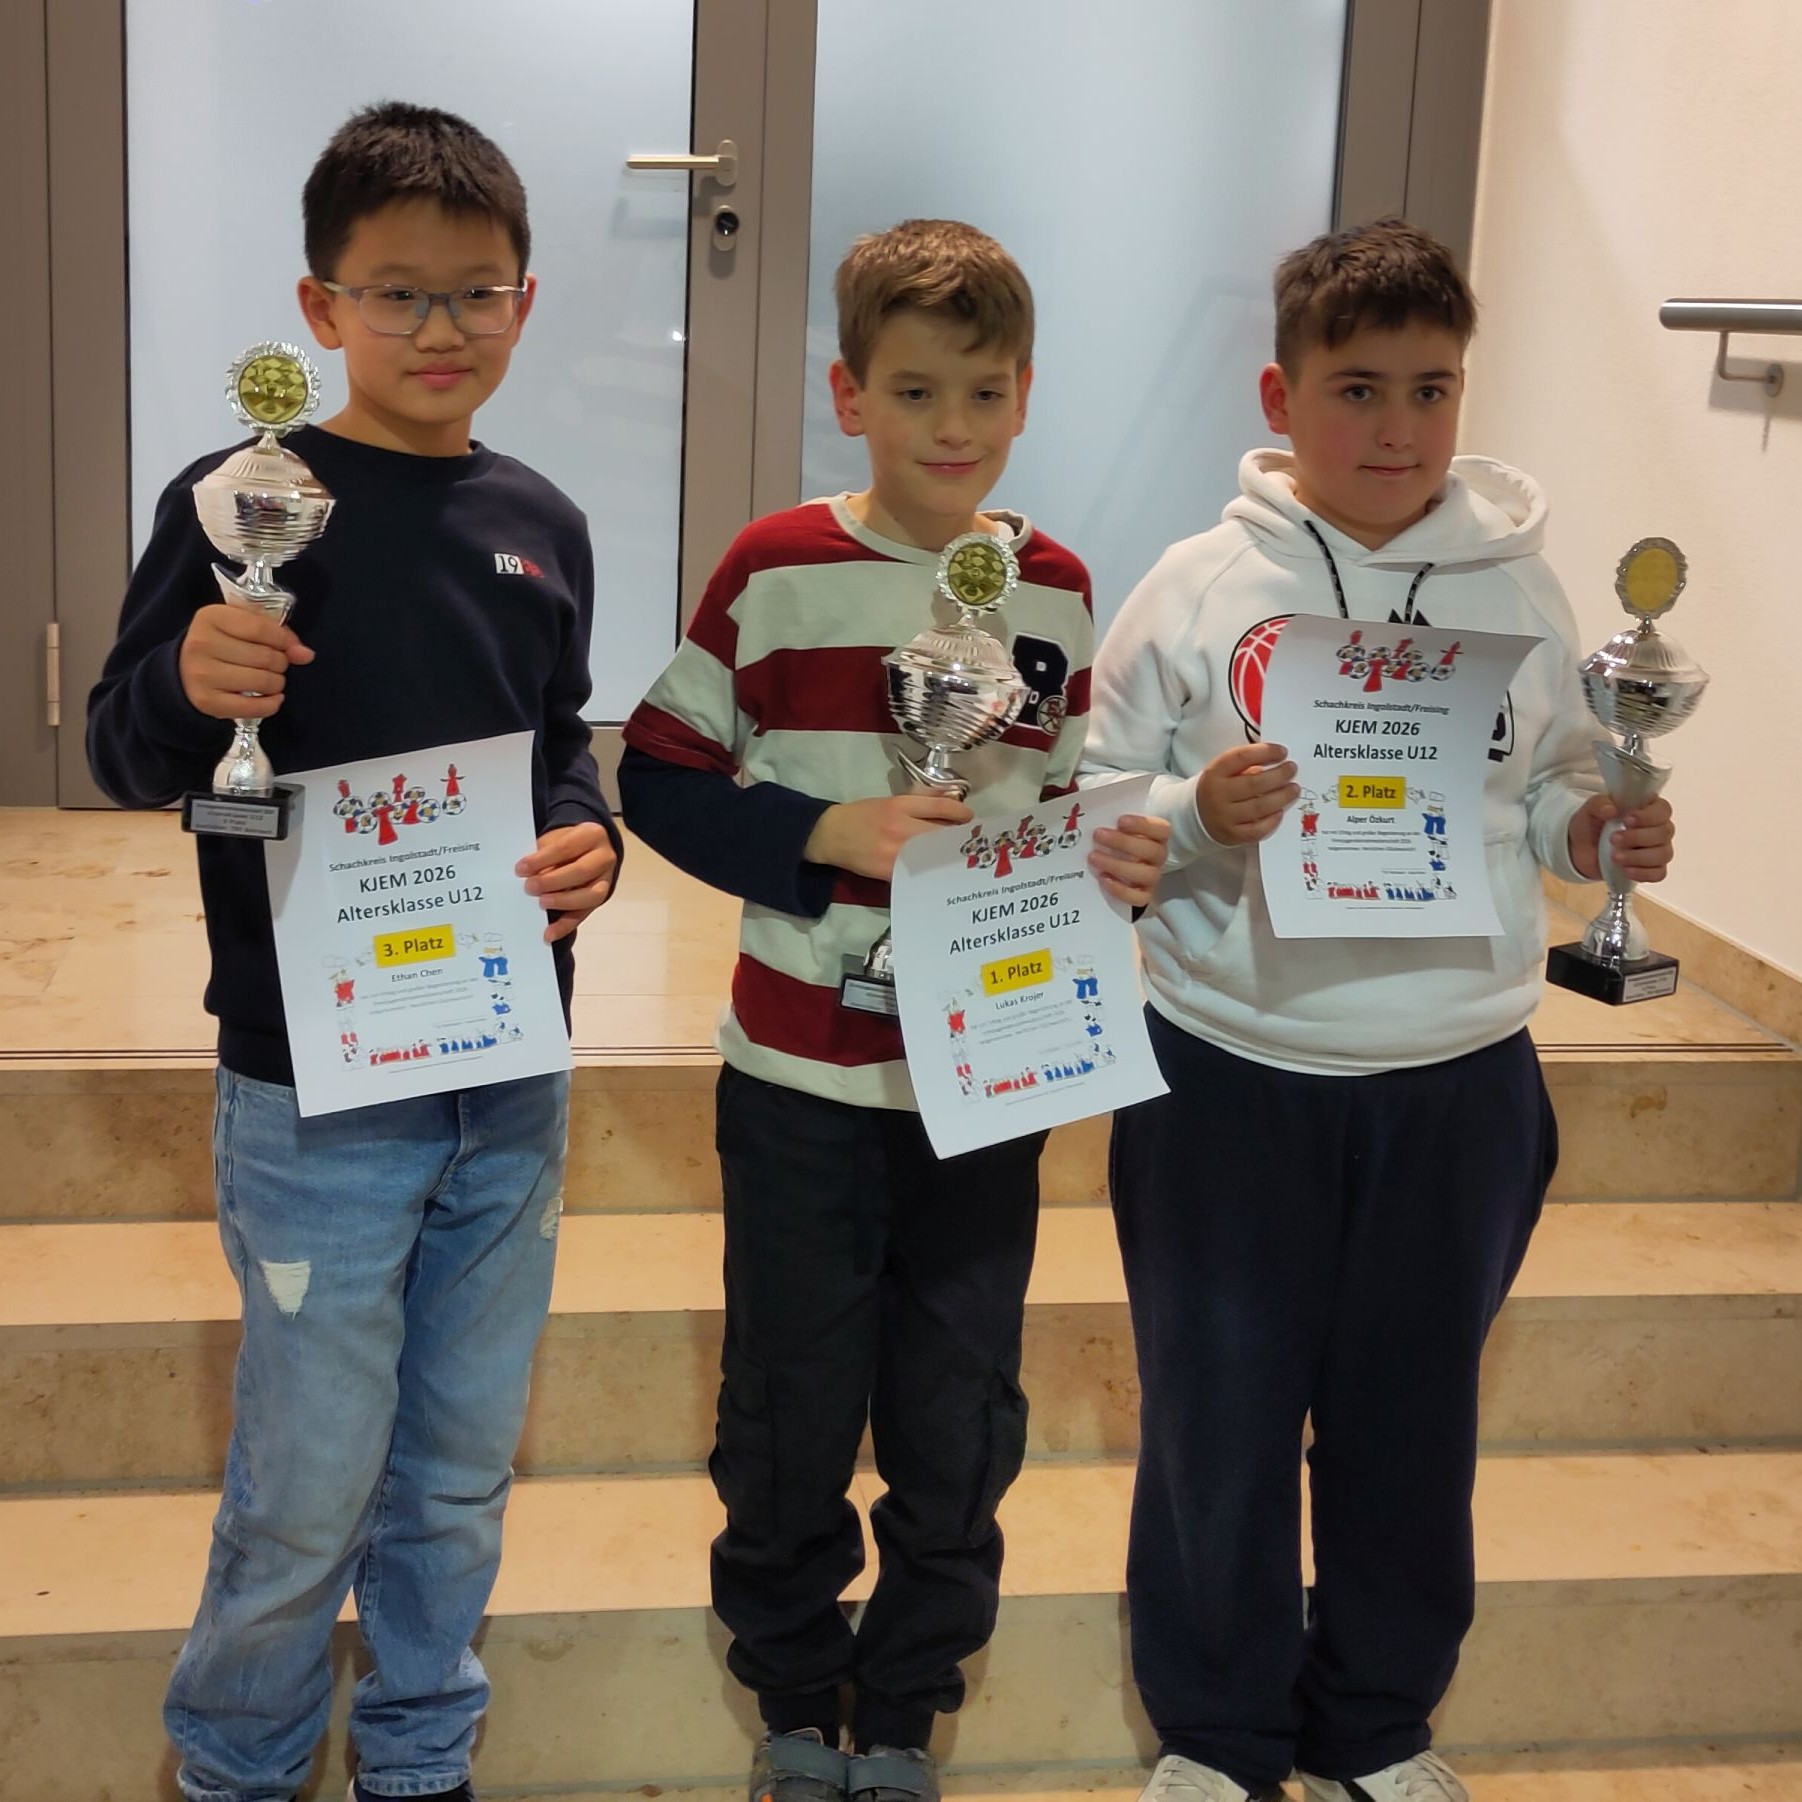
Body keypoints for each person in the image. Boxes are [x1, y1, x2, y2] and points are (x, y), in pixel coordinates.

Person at [1082, 218, 1676, 1802]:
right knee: (1218, 1416)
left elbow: (1547, 787)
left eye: (1431, 388)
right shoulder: (1196, 585)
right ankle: (1217, 1733)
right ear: (1280, 396)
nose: (1398, 428)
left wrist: (1594, 834)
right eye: (1357, 389)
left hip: (1457, 1077)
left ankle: (1376, 1722)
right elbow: (1092, 795)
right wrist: (1192, 811)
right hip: (1229, 1069)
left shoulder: (1519, 585)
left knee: (1409, 1425)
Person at [86, 101, 621, 1802]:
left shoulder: (542, 519)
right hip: (311, 1086)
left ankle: (418, 1751)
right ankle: (236, 1765)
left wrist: (587, 836)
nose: (440, 328)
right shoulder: (242, 500)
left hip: (505, 1068)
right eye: (397, 294)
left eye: (476, 292)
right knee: (308, 1479)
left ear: (526, 300)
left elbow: (555, 739)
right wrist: (190, 682)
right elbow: (120, 748)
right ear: (322, 306)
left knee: (458, 1465)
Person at [619, 218, 1169, 1802]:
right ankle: (796, 1689)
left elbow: (1059, 806)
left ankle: (911, 1695)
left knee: (956, 1409)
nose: (951, 426)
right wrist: (820, 832)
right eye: (915, 391)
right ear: (847, 394)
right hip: (798, 1078)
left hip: (982, 1085)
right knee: (788, 1404)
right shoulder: (774, 569)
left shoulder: (1053, 590)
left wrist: (1115, 864)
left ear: (1025, 396)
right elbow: (656, 773)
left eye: (984, 393)